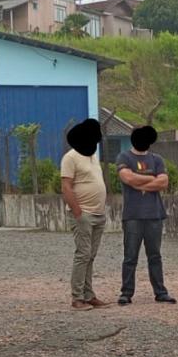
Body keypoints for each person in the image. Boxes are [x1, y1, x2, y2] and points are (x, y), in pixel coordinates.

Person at [115, 126, 175, 305]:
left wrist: (140, 184)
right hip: (133, 215)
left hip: (154, 215)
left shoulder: (157, 159)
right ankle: (126, 292)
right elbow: (128, 178)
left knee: (155, 256)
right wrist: (152, 179)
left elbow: (163, 182)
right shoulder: (124, 157)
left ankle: (160, 292)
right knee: (130, 256)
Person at [60, 118, 109, 311]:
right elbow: (66, 186)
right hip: (83, 214)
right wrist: (78, 212)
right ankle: (77, 297)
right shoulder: (70, 157)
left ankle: (89, 295)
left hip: (98, 214)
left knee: (91, 255)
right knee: (83, 254)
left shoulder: (92, 156)